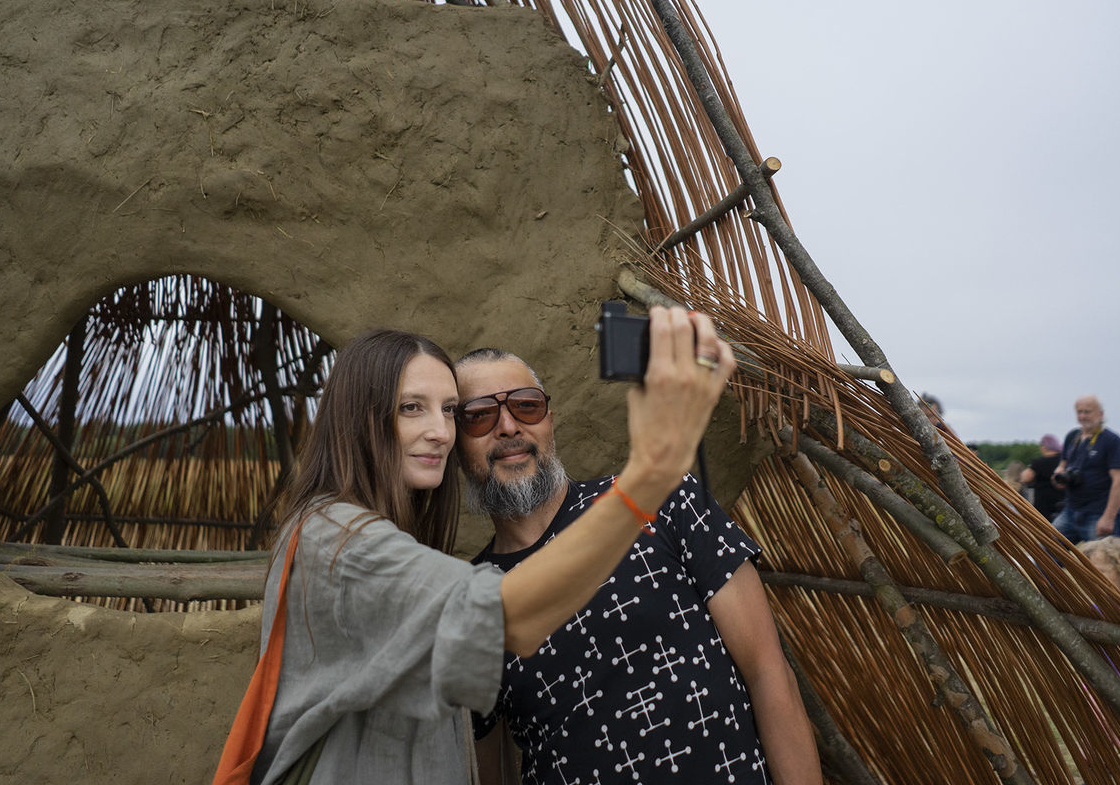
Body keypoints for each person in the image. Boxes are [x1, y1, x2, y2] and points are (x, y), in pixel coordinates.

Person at [250, 310, 735, 784]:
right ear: (359, 419)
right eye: (412, 407)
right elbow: (511, 619)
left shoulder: (384, 547)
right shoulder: (338, 542)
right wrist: (651, 473)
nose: (440, 431)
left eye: (447, 411)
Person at [454, 346, 822, 784]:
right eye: (479, 415)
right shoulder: (467, 605)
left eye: (527, 406)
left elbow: (768, 673)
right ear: (454, 443)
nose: (509, 426)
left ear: (551, 420)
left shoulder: (663, 498)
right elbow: (489, 770)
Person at [1052, 395, 1120, 542]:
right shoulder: (1072, 437)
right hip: (1071, 510)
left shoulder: (1111, 440)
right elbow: (1061, 466)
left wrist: (1109, 517)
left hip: (1098, 512)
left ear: (1101, 414)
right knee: (1046, 549)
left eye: (1087, 411)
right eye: (1079, 412)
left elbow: (1119, 481)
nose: (1083, 416)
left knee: (1104, 561)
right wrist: (1058, 475)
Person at [1020, 433, 1065, 521]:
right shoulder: (1063, 461)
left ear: (1044, 447)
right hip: (1062, 502)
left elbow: (1026, 478)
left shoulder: (1039, 462)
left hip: (1044, 504)